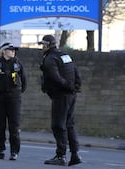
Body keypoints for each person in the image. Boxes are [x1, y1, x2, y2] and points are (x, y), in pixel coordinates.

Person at [38, 35, 82, 166]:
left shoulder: (50, 59)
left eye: (43, 45)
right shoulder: (65, 55)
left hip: (60, 95)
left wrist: (66, 86)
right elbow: (76, 72)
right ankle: (75, 154)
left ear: (49, 45)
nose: (42, 47)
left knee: (58, 125)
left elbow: (55, 77)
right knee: (69, 125)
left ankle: (60, 155)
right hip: (71, 95)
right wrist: (75, 87)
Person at [0, 42, 27, 161]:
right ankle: (0, 150)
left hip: (14, 98)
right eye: (11, 50)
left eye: (14, 50)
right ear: (4, 51)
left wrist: (17, 92)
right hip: (0, 98)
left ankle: (14, 152)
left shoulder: (17, 63)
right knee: (0, 126)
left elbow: (24, 80)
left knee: (14, 126)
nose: (13, 52)